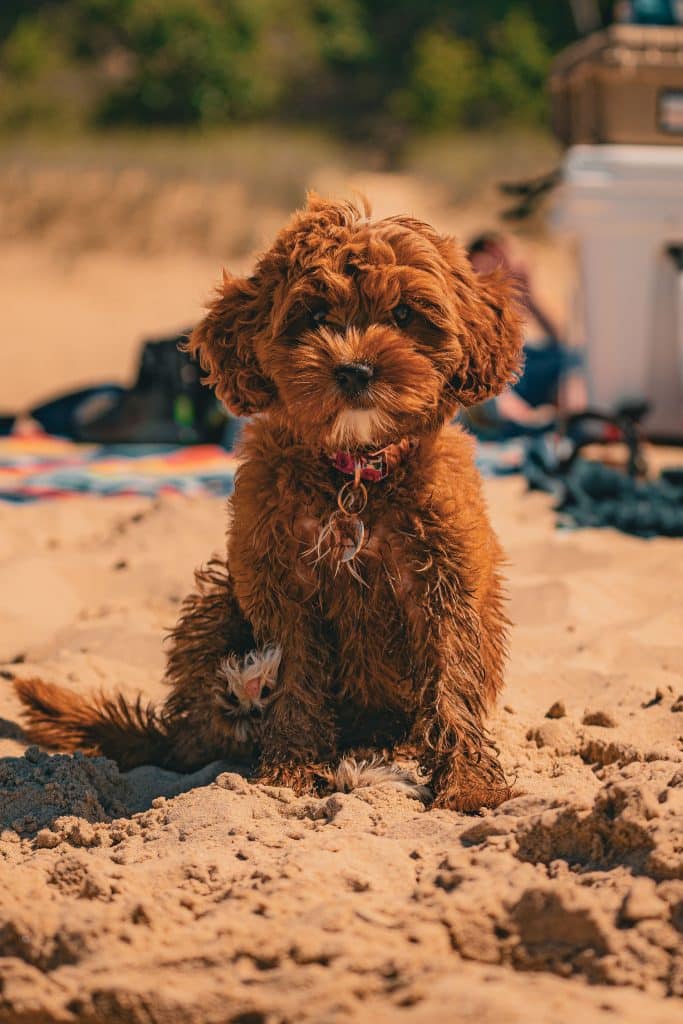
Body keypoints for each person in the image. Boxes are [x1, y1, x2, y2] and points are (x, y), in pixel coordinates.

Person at [464, 233, 585, 438]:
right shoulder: (468, 304)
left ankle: (576, 420)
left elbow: (560, 339)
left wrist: (529, 297)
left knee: (570, 356)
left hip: (521, 370)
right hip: (494, 383)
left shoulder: (510, 296)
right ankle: (547, 423)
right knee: (483, 378)